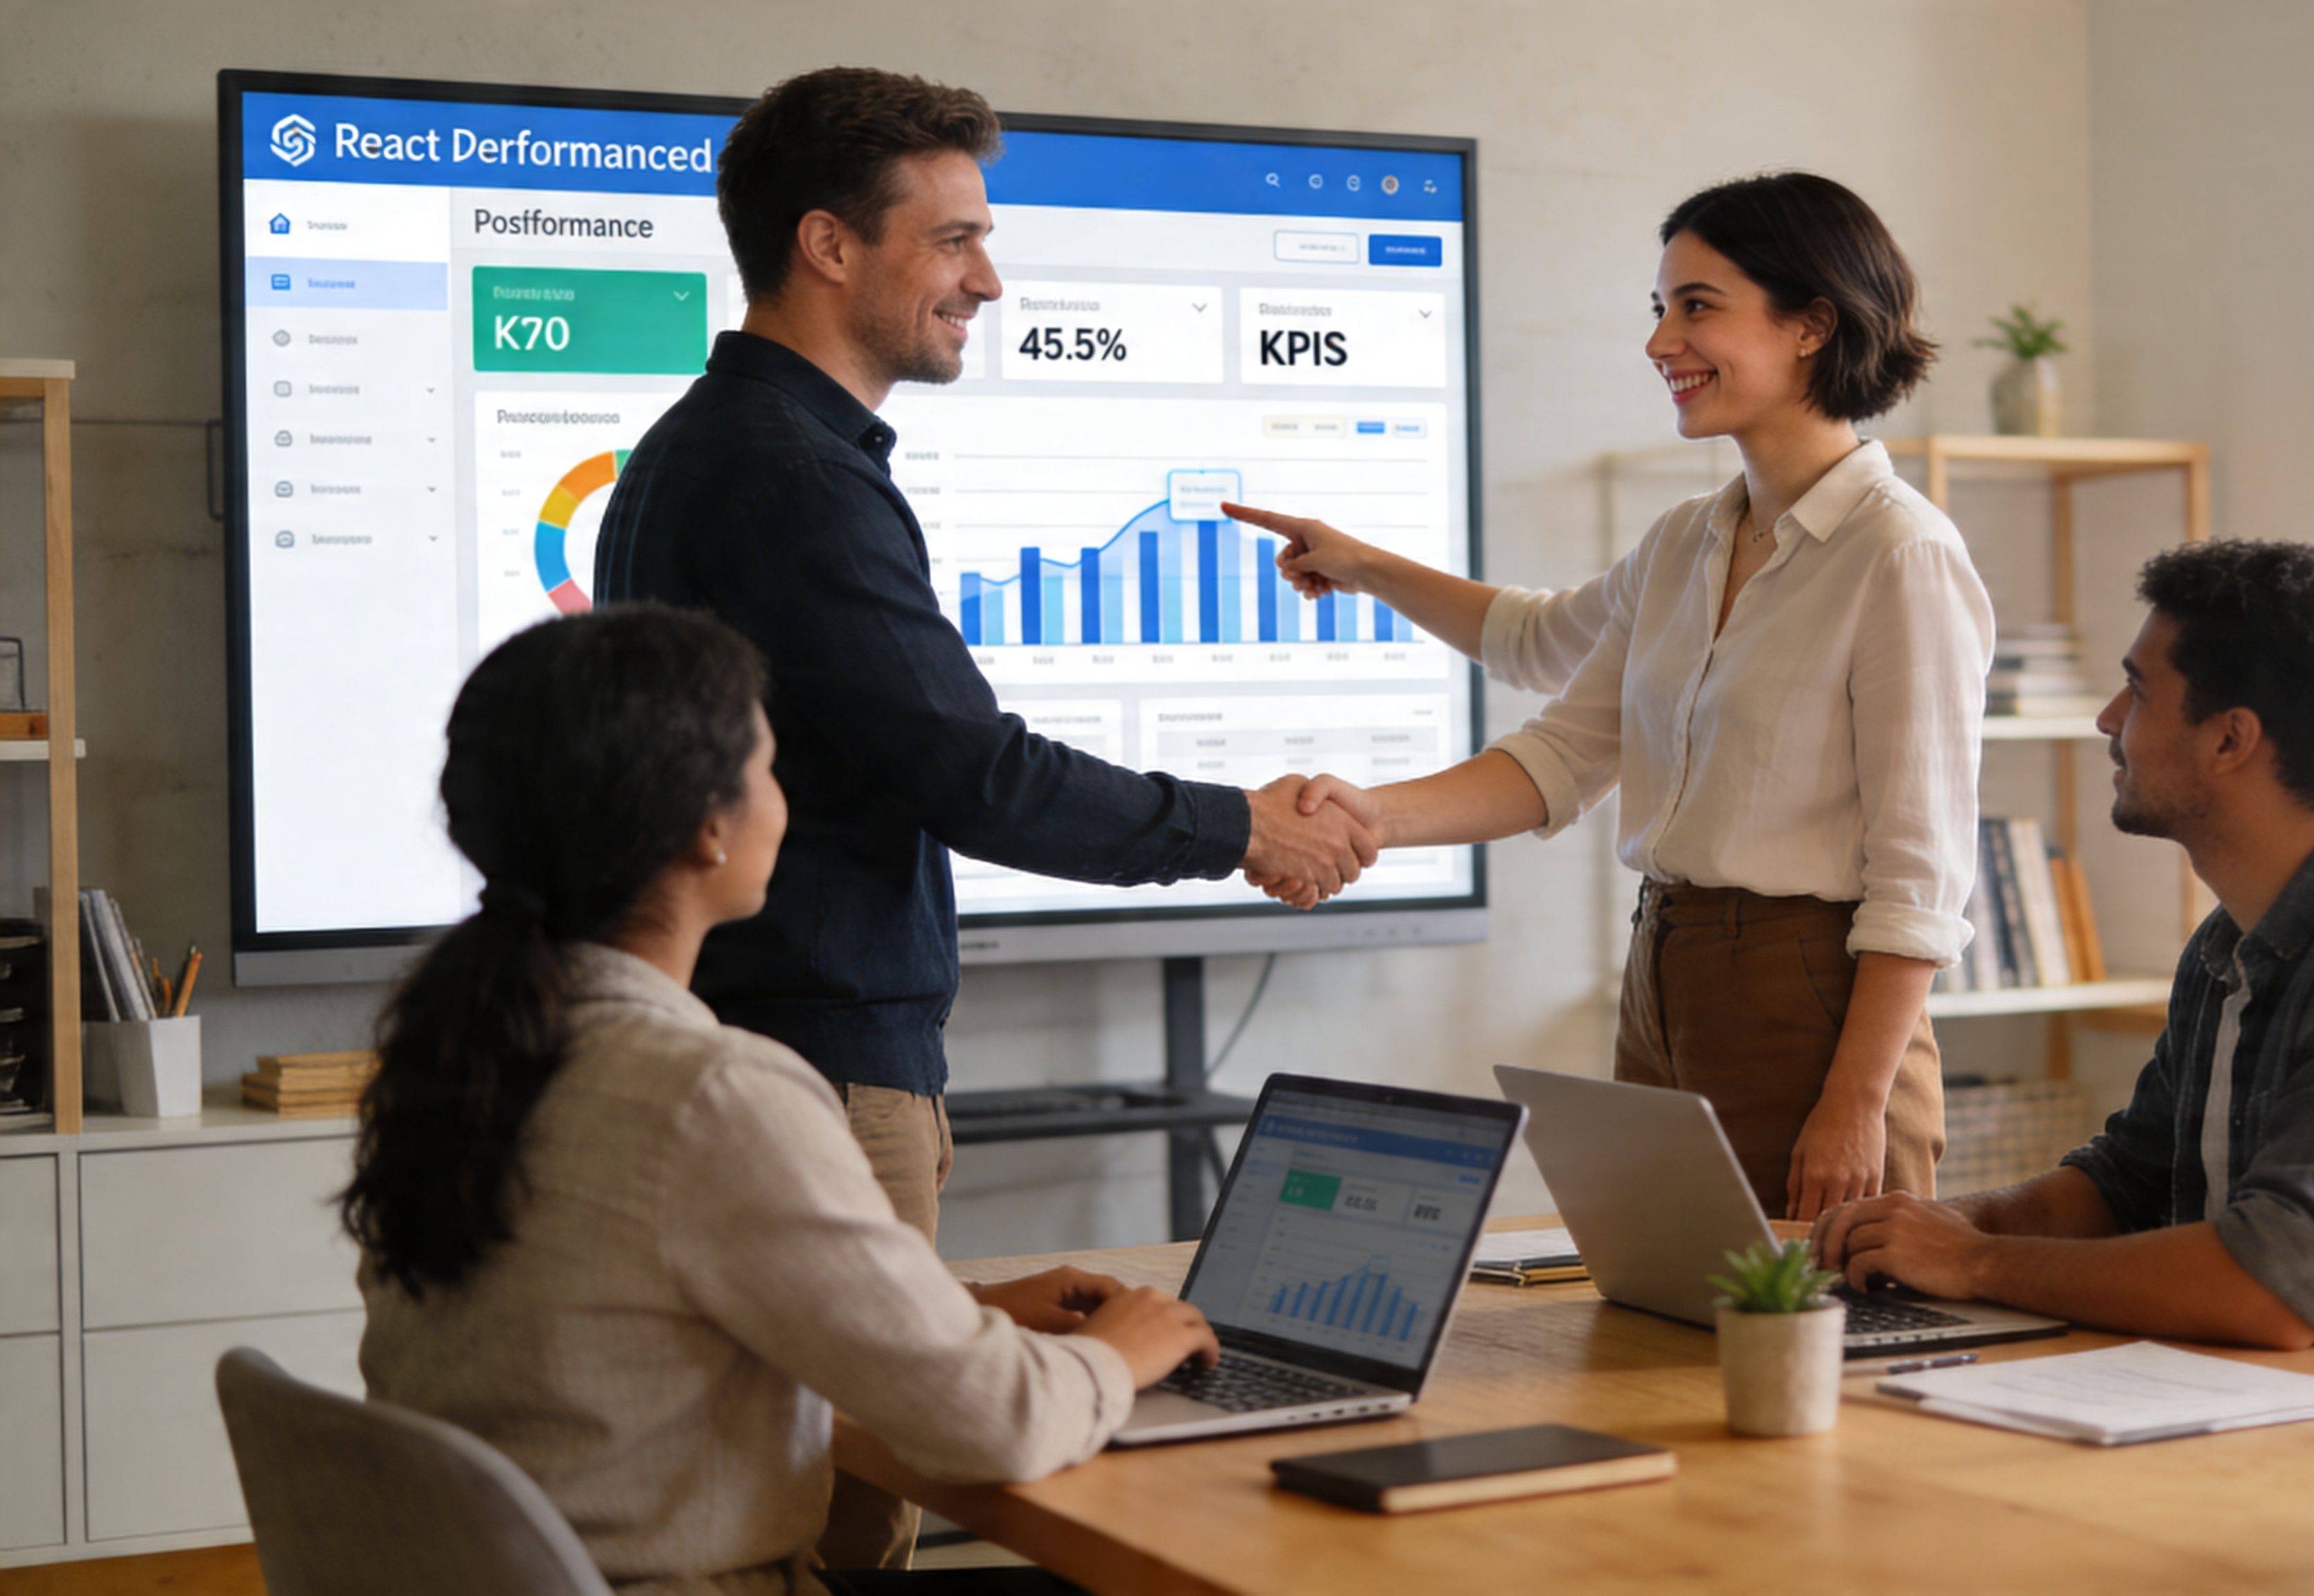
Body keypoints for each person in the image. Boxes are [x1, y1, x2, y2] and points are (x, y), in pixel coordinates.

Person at [590, 69, 1366, 1563]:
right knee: (834, 1535)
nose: (987, 280)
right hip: (823, 1063)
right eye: (952, 241)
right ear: (827, 246)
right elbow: (964, 766)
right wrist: (1241, 825)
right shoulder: (789, 476)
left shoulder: (695, 452)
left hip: (786, 1038)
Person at [343, 606, 1219, 1596]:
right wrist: (1123, 1353)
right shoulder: (711, 1092)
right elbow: (1000, 1426)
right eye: (770, 768)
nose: (784, 799)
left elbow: (622, 1320)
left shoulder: (472, 1046)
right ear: (708, 828)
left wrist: (956, 1313)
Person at [1226, 172, 1991, 1220]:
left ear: (1812, 325)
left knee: (1802, 1348)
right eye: (1660, 308)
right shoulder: (1687, 540)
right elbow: (1555, 730)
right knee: (1660, 1318)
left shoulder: (1901, 555)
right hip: (1667, 972)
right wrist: (1362, 814)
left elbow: (1922, 876)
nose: (1660, 342)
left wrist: (1857, 1105)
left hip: (1812, 1000)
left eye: (1697, 306)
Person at [1813, 542, 2314, 1371]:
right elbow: (2125, 1185)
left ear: (2229, 741)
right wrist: (1943, 1230)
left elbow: (2277, 1288)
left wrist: (1973, 1264)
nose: (2108, 719)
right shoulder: (2232, 940)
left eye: (2139, 691)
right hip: (2257, 1402)